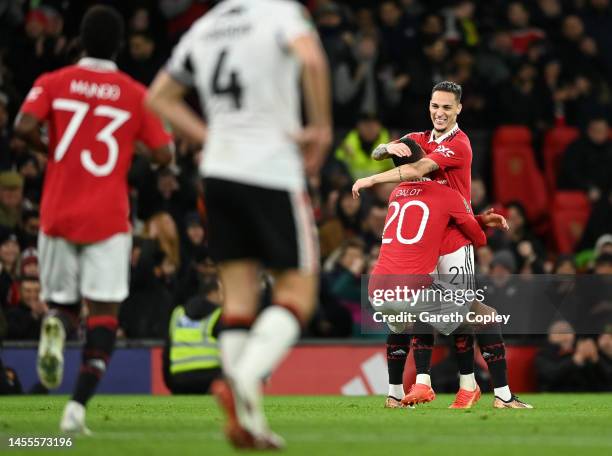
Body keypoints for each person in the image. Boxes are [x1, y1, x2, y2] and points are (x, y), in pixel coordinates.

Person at [146, 0, 331, 449]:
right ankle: (243, 377)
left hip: (218, 172)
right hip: (270, 167)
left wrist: (210, 139)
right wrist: (322, 127)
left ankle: (250, 422)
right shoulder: (280, 13)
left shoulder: (204, 27)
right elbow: (311, 58)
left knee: (238, 297)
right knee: (298, 292)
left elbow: (158, 97)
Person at [14, 5, 173, 434]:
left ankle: (54, 326)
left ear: (80, 41)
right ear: (119, 45)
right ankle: (75, 410)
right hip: (106, 215)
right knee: (104, 314)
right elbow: (164, 154)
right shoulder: (134, 92)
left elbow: (23, 124)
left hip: (56, 211)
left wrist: (53, 152)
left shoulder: (54, 81)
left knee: (62, 304)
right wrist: (128, 150)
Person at [353, 81, 531, 409]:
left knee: (451, 312)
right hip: (433, 232)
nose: (440, 112)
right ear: (429, 105)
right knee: (446, 311)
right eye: (435, 106)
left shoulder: (460, 144)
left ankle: (465, 384)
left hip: (453, 239)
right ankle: (429, 384)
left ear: (459, 109)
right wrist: (385, 149)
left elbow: (418, 167)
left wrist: (372, 176)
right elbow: (395, 149)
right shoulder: (419, 139)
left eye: (447, 107)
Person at [162, 273, 222, 394]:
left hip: (179, 378)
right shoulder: (219, 314)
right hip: (211, 378)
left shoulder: (178, 314)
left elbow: (167, 351)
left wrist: (170, 383)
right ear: (213, 292)